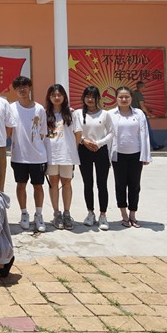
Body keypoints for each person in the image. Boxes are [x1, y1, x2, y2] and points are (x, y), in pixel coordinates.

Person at [8, 76, 49, 233]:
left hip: (37, 156)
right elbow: (8, 130)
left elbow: (43, 133)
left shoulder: (39, 109)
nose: (22, 90)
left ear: (30, 88)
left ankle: (39, 215)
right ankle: (24, 214)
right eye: (19, 87)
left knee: (38, 186)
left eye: (25, 86)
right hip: (19, 156)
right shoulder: (11, 108)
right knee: (21, 185)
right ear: (15, 90)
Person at [108, 86, 152, 228]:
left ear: (131, 98)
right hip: (118, 155)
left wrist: (146, 155)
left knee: (135, 186)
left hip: (136, 155)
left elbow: (144, 134)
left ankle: (133, 214)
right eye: (121, 97)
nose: (124, 99)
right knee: (120, 185)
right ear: (116, 98)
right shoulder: (110, 114)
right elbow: (107, 135)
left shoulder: (139, 114)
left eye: (127, 97)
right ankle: (124, 215)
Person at [73, 86, 114, 231]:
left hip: (100, 150)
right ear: (83, 98)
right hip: (84, 150)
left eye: (93, 96)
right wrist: (84, 141)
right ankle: (90, 213)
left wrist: (99, 143)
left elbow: (111, 132)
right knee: (87, 183)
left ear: (98, 98)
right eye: (87, 96)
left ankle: (103, 215)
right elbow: (75, 131)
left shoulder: (105, 114)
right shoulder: (78, 113)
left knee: (102, 184)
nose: (90, 99)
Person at [44, 84, 82, 231]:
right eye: (53, 95)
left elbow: (78, 134)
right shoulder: (45, 114)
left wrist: (72, 149)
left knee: (66, 183)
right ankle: (57, 214)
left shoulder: (72, 113)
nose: (56, 97)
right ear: (49, 97)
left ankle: (67, 213)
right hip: (51, 155)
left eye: (59, 94)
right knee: (53, 182)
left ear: (64, 96)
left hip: (67, 155)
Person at [132, 81, 163, 150]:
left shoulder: (133, 93)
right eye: (144, 87)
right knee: (148, 130)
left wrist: (147, 109)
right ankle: (155, 146)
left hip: (133, 115)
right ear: (142, 87)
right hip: (141, 115)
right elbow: (142, 106)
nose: (144, 88)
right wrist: (148, 113)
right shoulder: (139, 94)